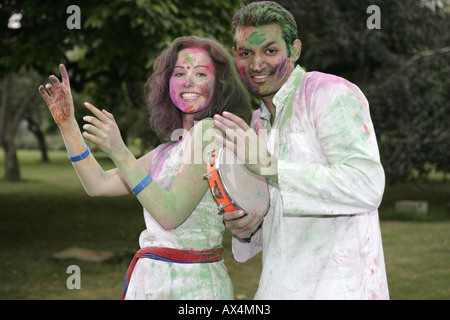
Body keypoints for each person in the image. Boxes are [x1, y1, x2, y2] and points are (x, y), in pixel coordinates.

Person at [39, 36, 253, 300]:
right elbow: (98, 184)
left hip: (191, 287)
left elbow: (171, 215)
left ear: (219, 84)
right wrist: (68, 125)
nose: (188, 81)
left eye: (200, 73)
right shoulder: (167, 151)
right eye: (179, 73)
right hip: (150, 283)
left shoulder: (209, 133)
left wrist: (120, 151)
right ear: (167, 84)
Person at [213, 1, 389, 299]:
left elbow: (367, 185)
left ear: (294, 50)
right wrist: (246, 226)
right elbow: (271, 213)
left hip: (339, 288)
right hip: (278, 287)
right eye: (246, 53)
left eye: (270, 51)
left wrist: (270, 166)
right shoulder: (256, 124)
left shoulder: (329, 93)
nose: (256, 64)